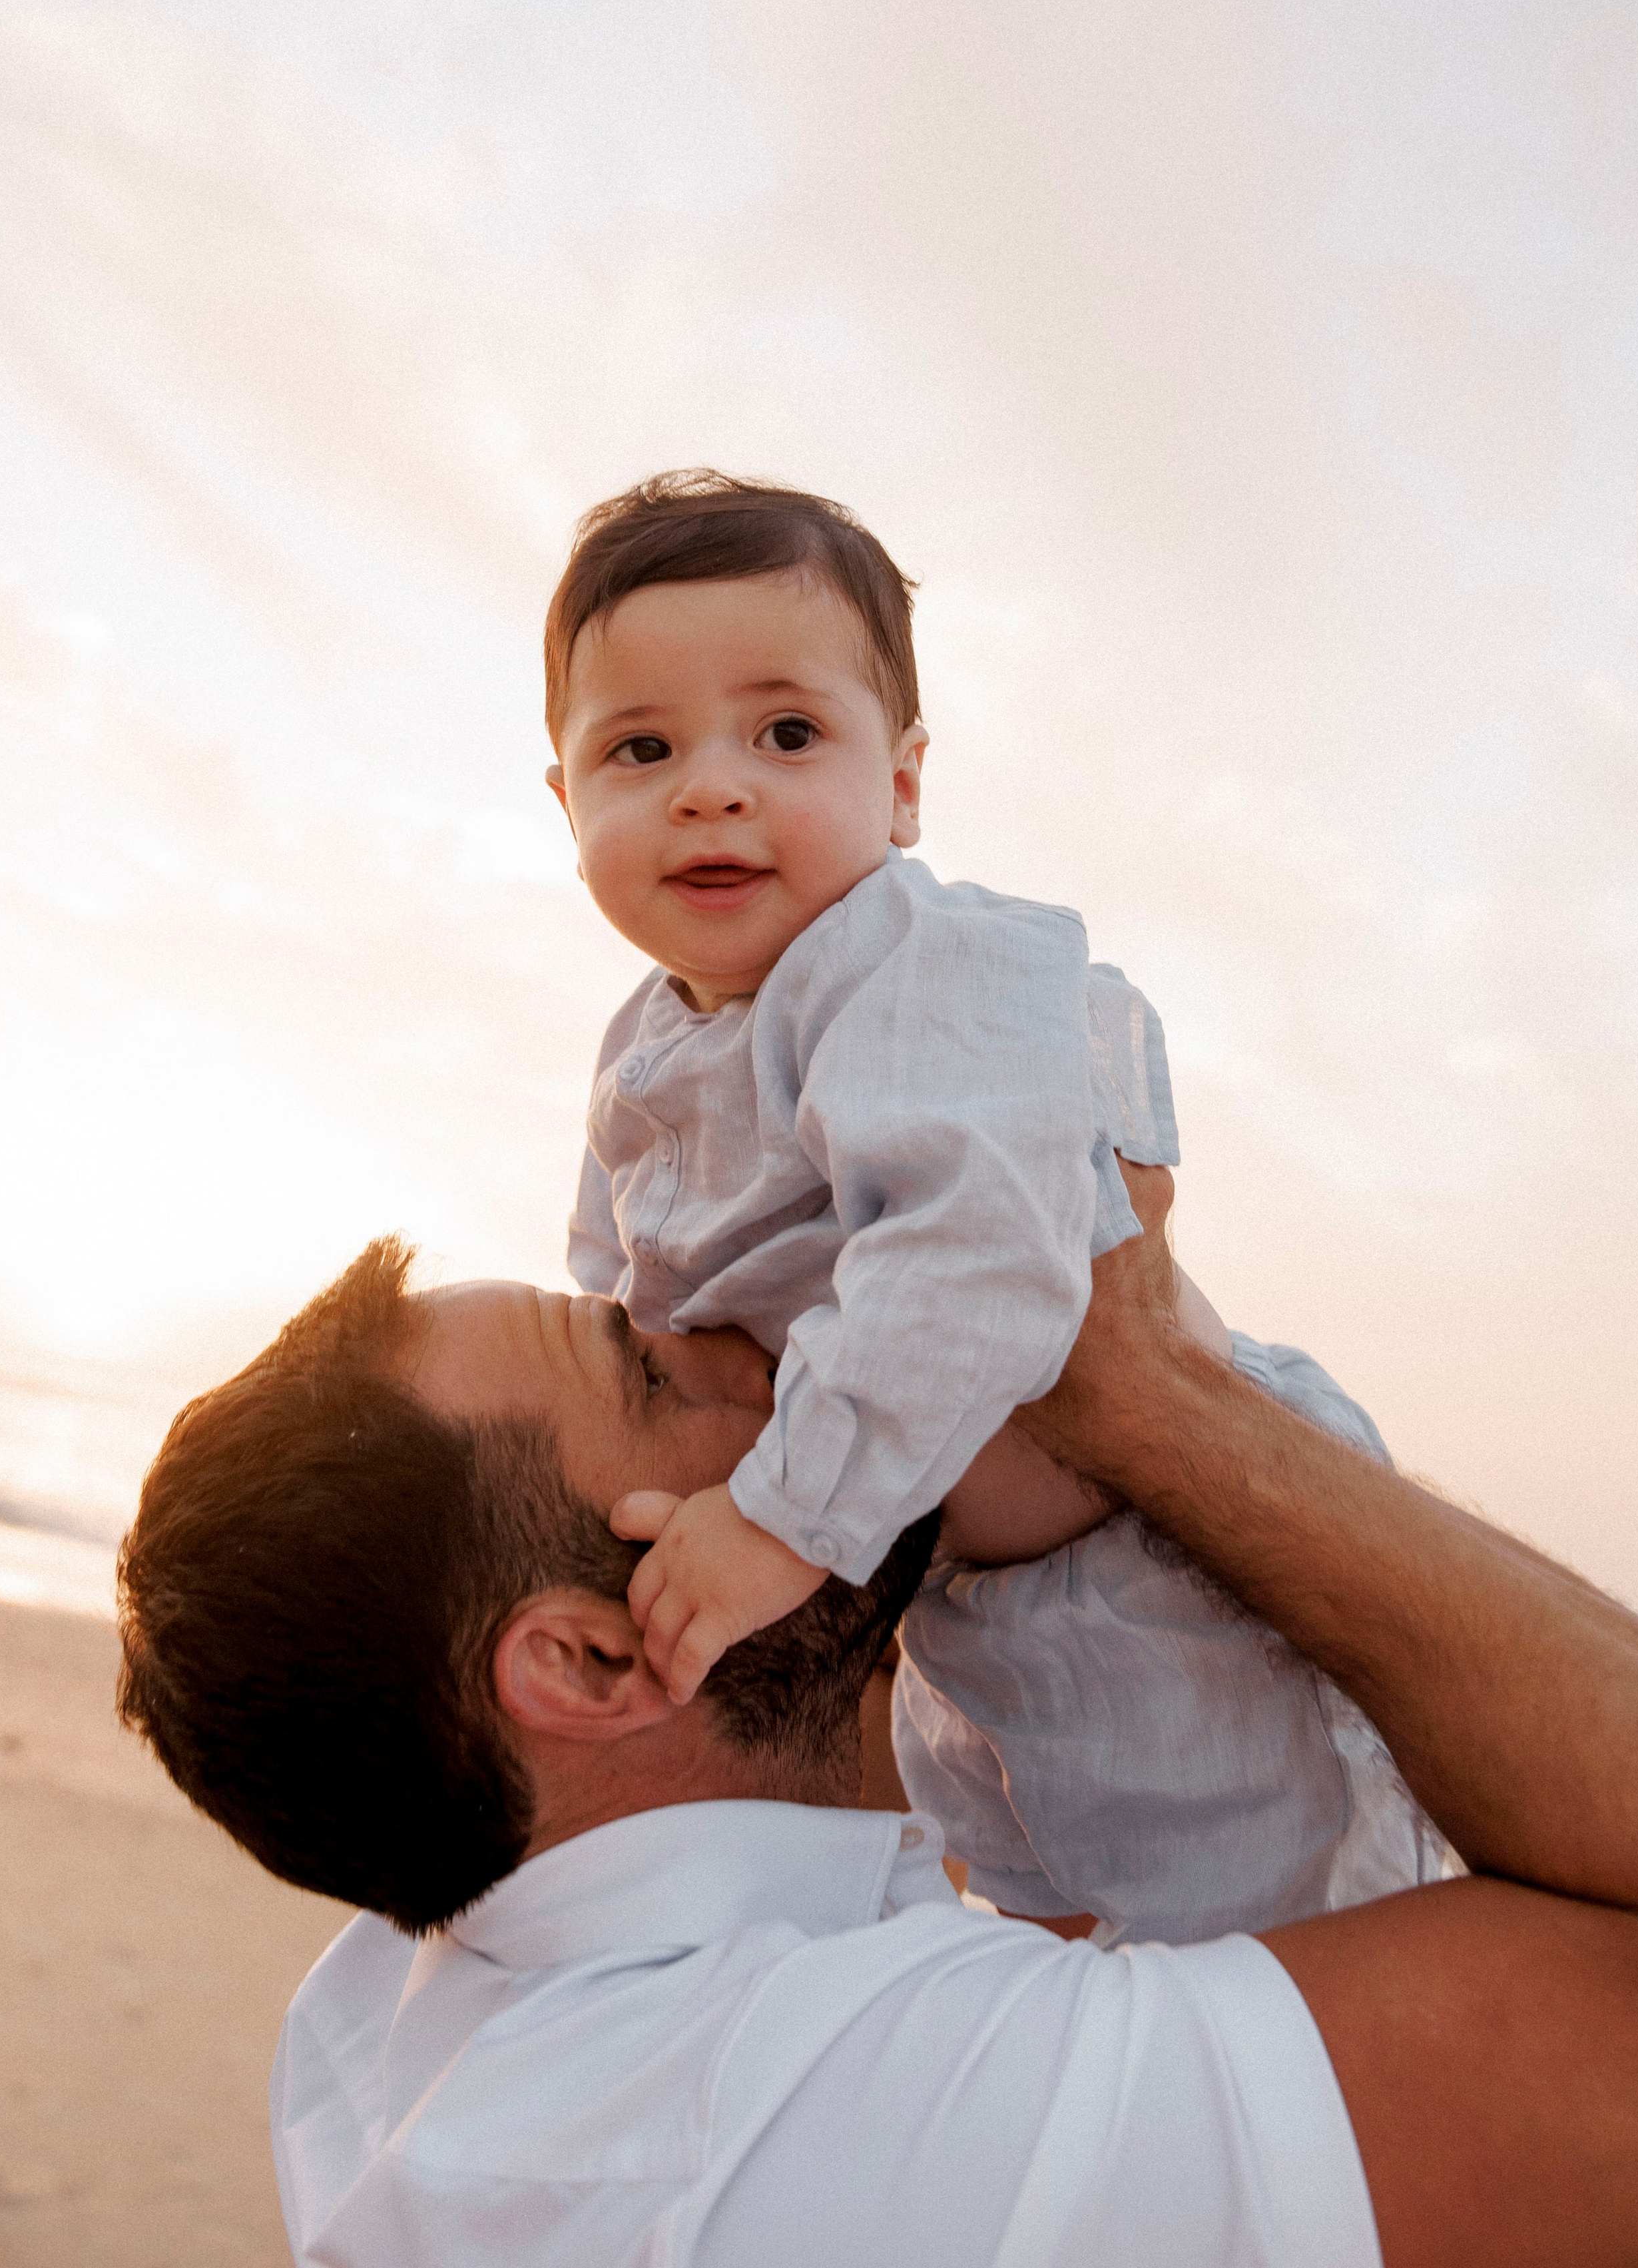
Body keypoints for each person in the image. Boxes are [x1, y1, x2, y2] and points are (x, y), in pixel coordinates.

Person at [116, 1168, 1638, 2267]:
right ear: (588, 1666)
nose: (750, 1336)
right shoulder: (814, 2129)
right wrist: (1149, 1396)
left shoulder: (424, 1981)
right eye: (659, 1374)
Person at [545, 468, 1438, 1940]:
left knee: (1264, 1930)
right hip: (960, 1605)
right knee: (1040, 1919)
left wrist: (775, 1519)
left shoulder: (912, 963)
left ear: (899, 782)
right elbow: (619, 1296)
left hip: (1158, 1569)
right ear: (565, 799)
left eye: (785, 733)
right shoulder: (641, 1049)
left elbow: (976, 1254)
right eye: (640, 747)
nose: (714, 784)